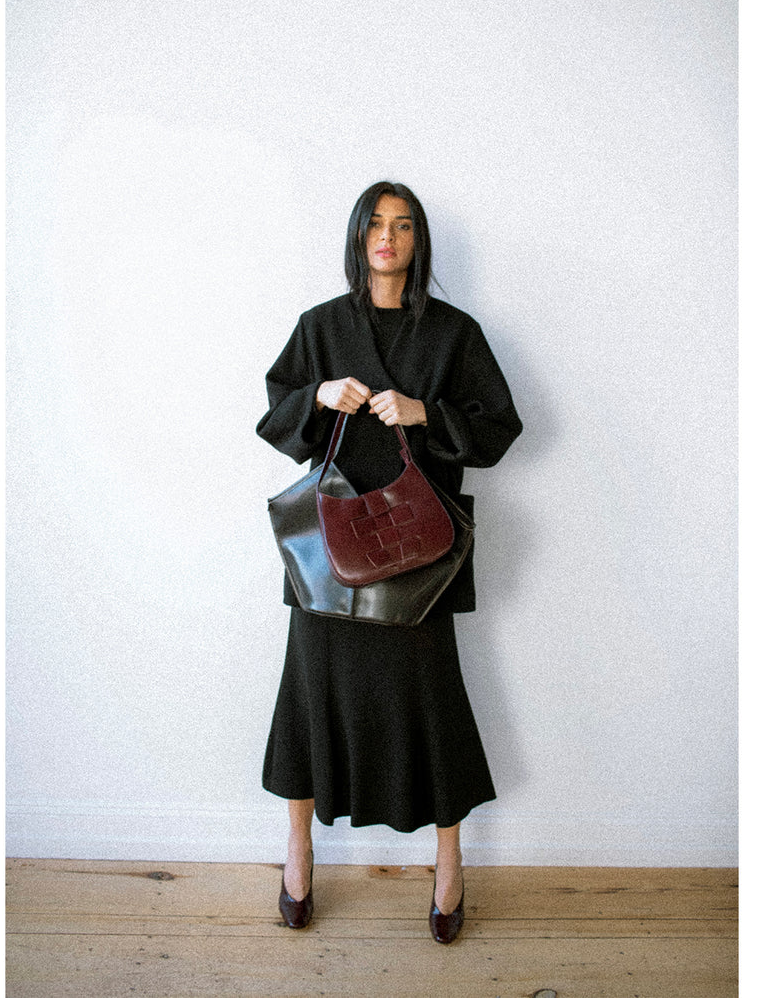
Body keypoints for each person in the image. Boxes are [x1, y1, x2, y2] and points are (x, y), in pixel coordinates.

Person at [256, 181, 522, 943]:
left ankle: (449, 862)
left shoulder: (454, 333)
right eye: (375, 223)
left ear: (418, 241)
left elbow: (499, 428)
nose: (388, 236)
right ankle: (298, 850)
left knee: (432, 705)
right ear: (356, 235)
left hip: (417, 549)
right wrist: (318, 396)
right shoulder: (320, 326)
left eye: (403, 225)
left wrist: (423, 412)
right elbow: (276, 414)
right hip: (328, 551)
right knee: (310, 696)